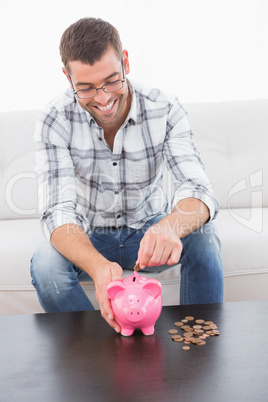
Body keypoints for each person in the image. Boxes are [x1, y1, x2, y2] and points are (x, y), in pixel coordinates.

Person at [30, 17, 223, 333]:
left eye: (111, 81)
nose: (103, 99)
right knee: (46, 265)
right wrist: (98, 267)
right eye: (87, 88)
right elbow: (57, 212)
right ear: (67, 77)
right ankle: (102, 351)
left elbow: (198, 187)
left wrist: (170, 226)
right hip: (90, 233)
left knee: (205, 239)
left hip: (149, 229)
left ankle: (197, 343)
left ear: (126, 62)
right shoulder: (54, 119)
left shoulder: (165, 108)